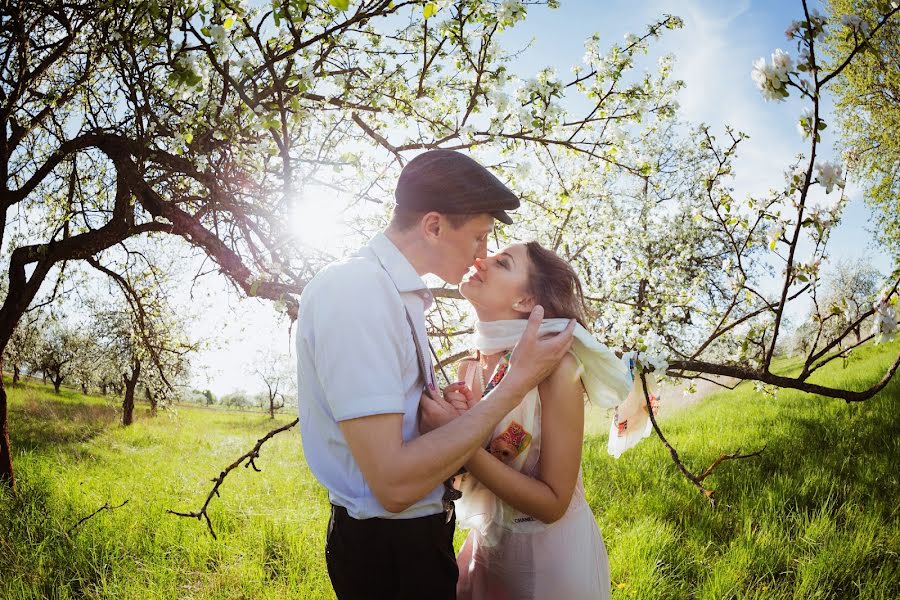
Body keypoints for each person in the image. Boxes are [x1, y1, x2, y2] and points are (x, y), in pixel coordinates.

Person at [295, 149, 576, 600]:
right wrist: (515, 385)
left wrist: (452, 417)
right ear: (433, 226)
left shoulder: (397, 296)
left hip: (417, 541)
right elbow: (392, 484)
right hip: (390, 552)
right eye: (481, 237)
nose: (481, 254)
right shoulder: (358, 292)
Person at [421, 241, 658, 600]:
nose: (481, 260)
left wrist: (459, 442)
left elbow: (552, 504)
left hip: (550, 563)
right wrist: (449, 427)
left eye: (502, 263)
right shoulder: (468, 370)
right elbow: (464, 478)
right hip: (487, 551)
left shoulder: (556, 370)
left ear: (525, 301)